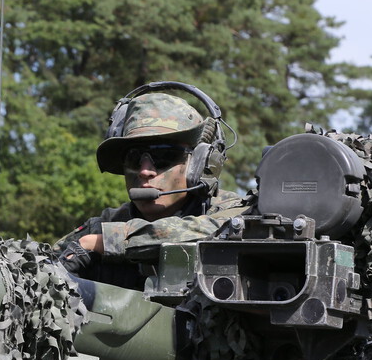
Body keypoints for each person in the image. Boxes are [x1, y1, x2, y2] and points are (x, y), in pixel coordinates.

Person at [54, 87, 249, 290]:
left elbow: (217, 231)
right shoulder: (102, 226)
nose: (145, 171)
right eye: (135, 158)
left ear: (199, 164)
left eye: (163, 156)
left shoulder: (233, 214)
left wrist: (108, 242)